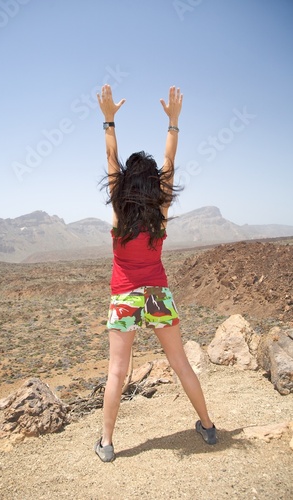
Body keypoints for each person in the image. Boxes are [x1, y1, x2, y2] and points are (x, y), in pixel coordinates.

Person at [95, 84, 217, 462]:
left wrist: (109, 120)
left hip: (124, 295)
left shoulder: (119, 209)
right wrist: (174, 123)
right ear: (153, 186)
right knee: (180, 363)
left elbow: (112, 161)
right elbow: (169, 164)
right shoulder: (160, 209)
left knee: (117, 371)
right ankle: (209, 428)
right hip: (157, 294)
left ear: (126, 184)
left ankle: (107, 444)